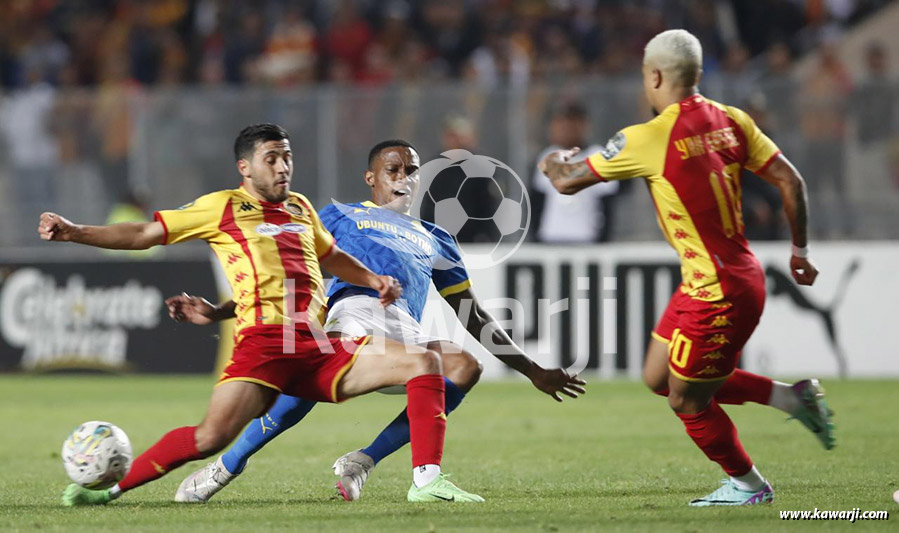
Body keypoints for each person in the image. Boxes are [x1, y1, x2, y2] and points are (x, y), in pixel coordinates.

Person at [42, 123, 482, 505]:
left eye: (287, 157)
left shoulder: (301, 208)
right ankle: (109, 490)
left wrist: (372, 280)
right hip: (265, 346)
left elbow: (332, 258)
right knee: (208, 438)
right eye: (272, 158)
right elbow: (143, 232)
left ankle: (426, 480)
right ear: (246, 167)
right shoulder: (222, 206)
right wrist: (76, 232)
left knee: (424, 361)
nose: (282, 167)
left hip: (315, 343)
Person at [171, 139, 586, 503]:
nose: (402, 177)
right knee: (302, 392)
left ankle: (365, 461)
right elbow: (280, 273)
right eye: (393, 170)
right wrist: (220, 311)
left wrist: (532, 371)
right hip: (355, 313)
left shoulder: (437, 238)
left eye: (411, 170)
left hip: (407, 331)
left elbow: (472, 314)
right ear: (372, 178)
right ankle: (225, 466)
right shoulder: (338, 216)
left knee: (464, 366)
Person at [540, 30, 834, 507]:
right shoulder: (732, 119)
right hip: (719, 279)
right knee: (660, 376)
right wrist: (799, 251)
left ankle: (750, 486)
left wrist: (554, 159)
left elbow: (566, 182)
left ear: (655, 76)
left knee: (687, 400)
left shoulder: (648, 136)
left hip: (720, 291)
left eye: (643, 76)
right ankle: (792, 398)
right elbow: (790, 178)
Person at [531, 102, 619, 243]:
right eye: (561, 124)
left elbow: (607, 204)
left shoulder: (598, 156)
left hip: (586, 238)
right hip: (551, 237)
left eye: (572, 124)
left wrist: (603, 240)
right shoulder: (547, 156)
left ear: (585, 125)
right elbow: (537, 202)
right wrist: (535, 238)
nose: (566, 129)